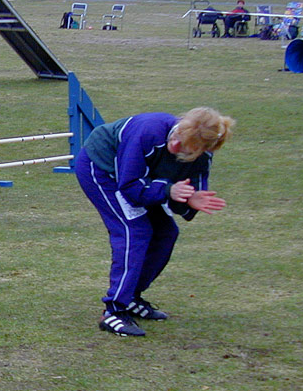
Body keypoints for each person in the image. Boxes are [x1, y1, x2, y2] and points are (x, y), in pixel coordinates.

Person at [74, 107, 235, 337]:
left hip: (143, 181)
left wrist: (190, 199)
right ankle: (114, 311)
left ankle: (131, 297)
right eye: (177, 137)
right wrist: (168, 189)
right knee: (134, 230)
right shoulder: (147, 132)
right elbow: (129, 186)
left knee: (166, 233)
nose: (176, 146)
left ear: (202, 150)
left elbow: (187, 193)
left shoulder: (203, 156)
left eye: (185, 148)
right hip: (102, 168)